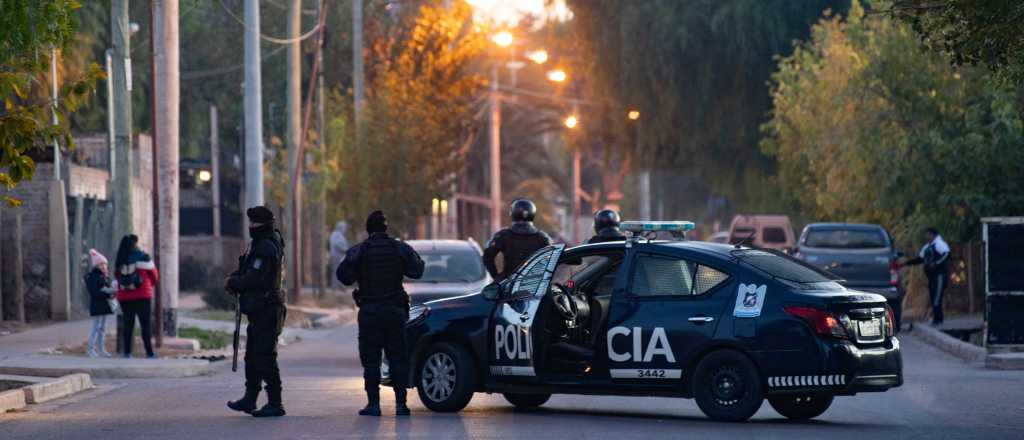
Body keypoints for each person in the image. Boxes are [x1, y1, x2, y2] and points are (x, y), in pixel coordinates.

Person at [337, 210, 425, 417]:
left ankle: (374, 405)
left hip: (370, 313)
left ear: (368, 230)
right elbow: (418, 270)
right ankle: (401, 405)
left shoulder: (360, 251)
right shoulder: (399, 248)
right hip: (394, 312)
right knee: (398, 358)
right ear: (386, 228)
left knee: (371, 361)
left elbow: (343, 276)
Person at [225, 206, 288, 418]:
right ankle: (250, 398)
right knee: (252, 356)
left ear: (264, 224)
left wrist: (236, 283)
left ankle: (275, 402)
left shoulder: (267, 246)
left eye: (254, 223)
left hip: (268, 310)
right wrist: (235, 278)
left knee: (265, 356)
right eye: (249, 222)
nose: (251, 227)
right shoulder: (259, 244)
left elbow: (255, 278)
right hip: (258, 310)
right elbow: (247, 271)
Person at [482, 199, 552, 281]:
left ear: (512, 213)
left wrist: (497, 278)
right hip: (534, 285)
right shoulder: (543, 238)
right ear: (533, 214)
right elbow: (552, 259)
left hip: (508, 284)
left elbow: (487, 257)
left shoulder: (503, 235)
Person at [114, 235, 158, 359]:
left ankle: (127, 353)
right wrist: (148, 285)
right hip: (143, 296)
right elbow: (154, 276)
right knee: (145, 325)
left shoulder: (120, 259)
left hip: (125, 297)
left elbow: (118, 277)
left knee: (128, 325)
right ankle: (149, 353)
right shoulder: (143, 257)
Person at [900, 227, 951, 326]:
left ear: (933, 235)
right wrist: (906, 263)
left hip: (939, 275)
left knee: (937, 297)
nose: (926, 236)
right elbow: (920, 259)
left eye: (928, 234)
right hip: (931, 276)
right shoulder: (927, 247)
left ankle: (938, 320)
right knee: (932, 296)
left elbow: (946, 254)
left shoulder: (939, 244)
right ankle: (936, 319)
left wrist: (936, 264)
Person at [85, 249, 116, 358]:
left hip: (104, 306)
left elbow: (107, 289)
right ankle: (90, 349)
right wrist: (107, 293)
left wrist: (111, 292)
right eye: (101, 264)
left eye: (105, 264)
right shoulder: (93, 277)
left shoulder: (105, 277)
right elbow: (95, 293)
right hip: (97, 305)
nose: (103, 266)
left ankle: (101, 349)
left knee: (102, 328)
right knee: (96, 327)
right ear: (96, 265)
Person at [329, 221, 349, 288]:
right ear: (341, 227)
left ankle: (339, 285)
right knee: (338, 271)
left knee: (338, 271)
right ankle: (336, 286)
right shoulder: (337, 235)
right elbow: (338, 244)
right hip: (337, 256)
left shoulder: (335, 234)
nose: (345, 229)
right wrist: (345, 250)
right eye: (344, 228)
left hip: (337, 256)